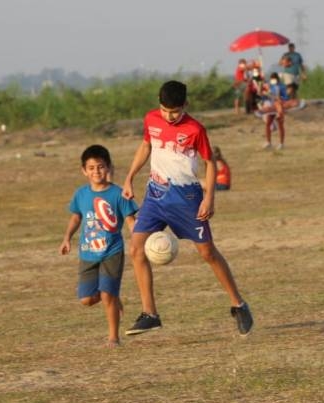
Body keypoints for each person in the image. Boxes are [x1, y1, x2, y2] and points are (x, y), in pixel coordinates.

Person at [121, 80, 253, 336]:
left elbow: (210, 163)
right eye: (165, 110)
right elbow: (146, 146)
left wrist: (209, 198)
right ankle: (150, 314)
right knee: (136, 248)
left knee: (207, 254)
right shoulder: (151, 120)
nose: (169, 116)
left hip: (187, 199)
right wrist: (129, 176)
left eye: (175, 111)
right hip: (155, 195)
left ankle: (238, 304)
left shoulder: (195, 129)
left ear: (185, 106)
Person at [60, 144, 139, 347]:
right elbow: (76, 217)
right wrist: (67, 238)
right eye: (92, 167)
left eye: (101, 167)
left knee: (106, 294)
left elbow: (131, 222)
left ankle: (113, 337)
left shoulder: (119, 194)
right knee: (86, 299)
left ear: (109, 168)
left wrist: (140, 241)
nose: (97, 171)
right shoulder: (81, 194)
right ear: (84, 170)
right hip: (88, 253)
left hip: (112, 251)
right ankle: (113, 296)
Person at [258, 72, 289, 150]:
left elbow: (285, 97)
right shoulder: (269, 86)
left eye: (274, 79)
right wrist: (263, 94)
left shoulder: (282, 86)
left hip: (279, 107)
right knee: (268, 123)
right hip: (272, 107)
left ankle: (281, 144)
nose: (273, 80)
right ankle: (268, 142)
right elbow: (265, 97)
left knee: (280, 125)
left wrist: (280, 98)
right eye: (271, 79)